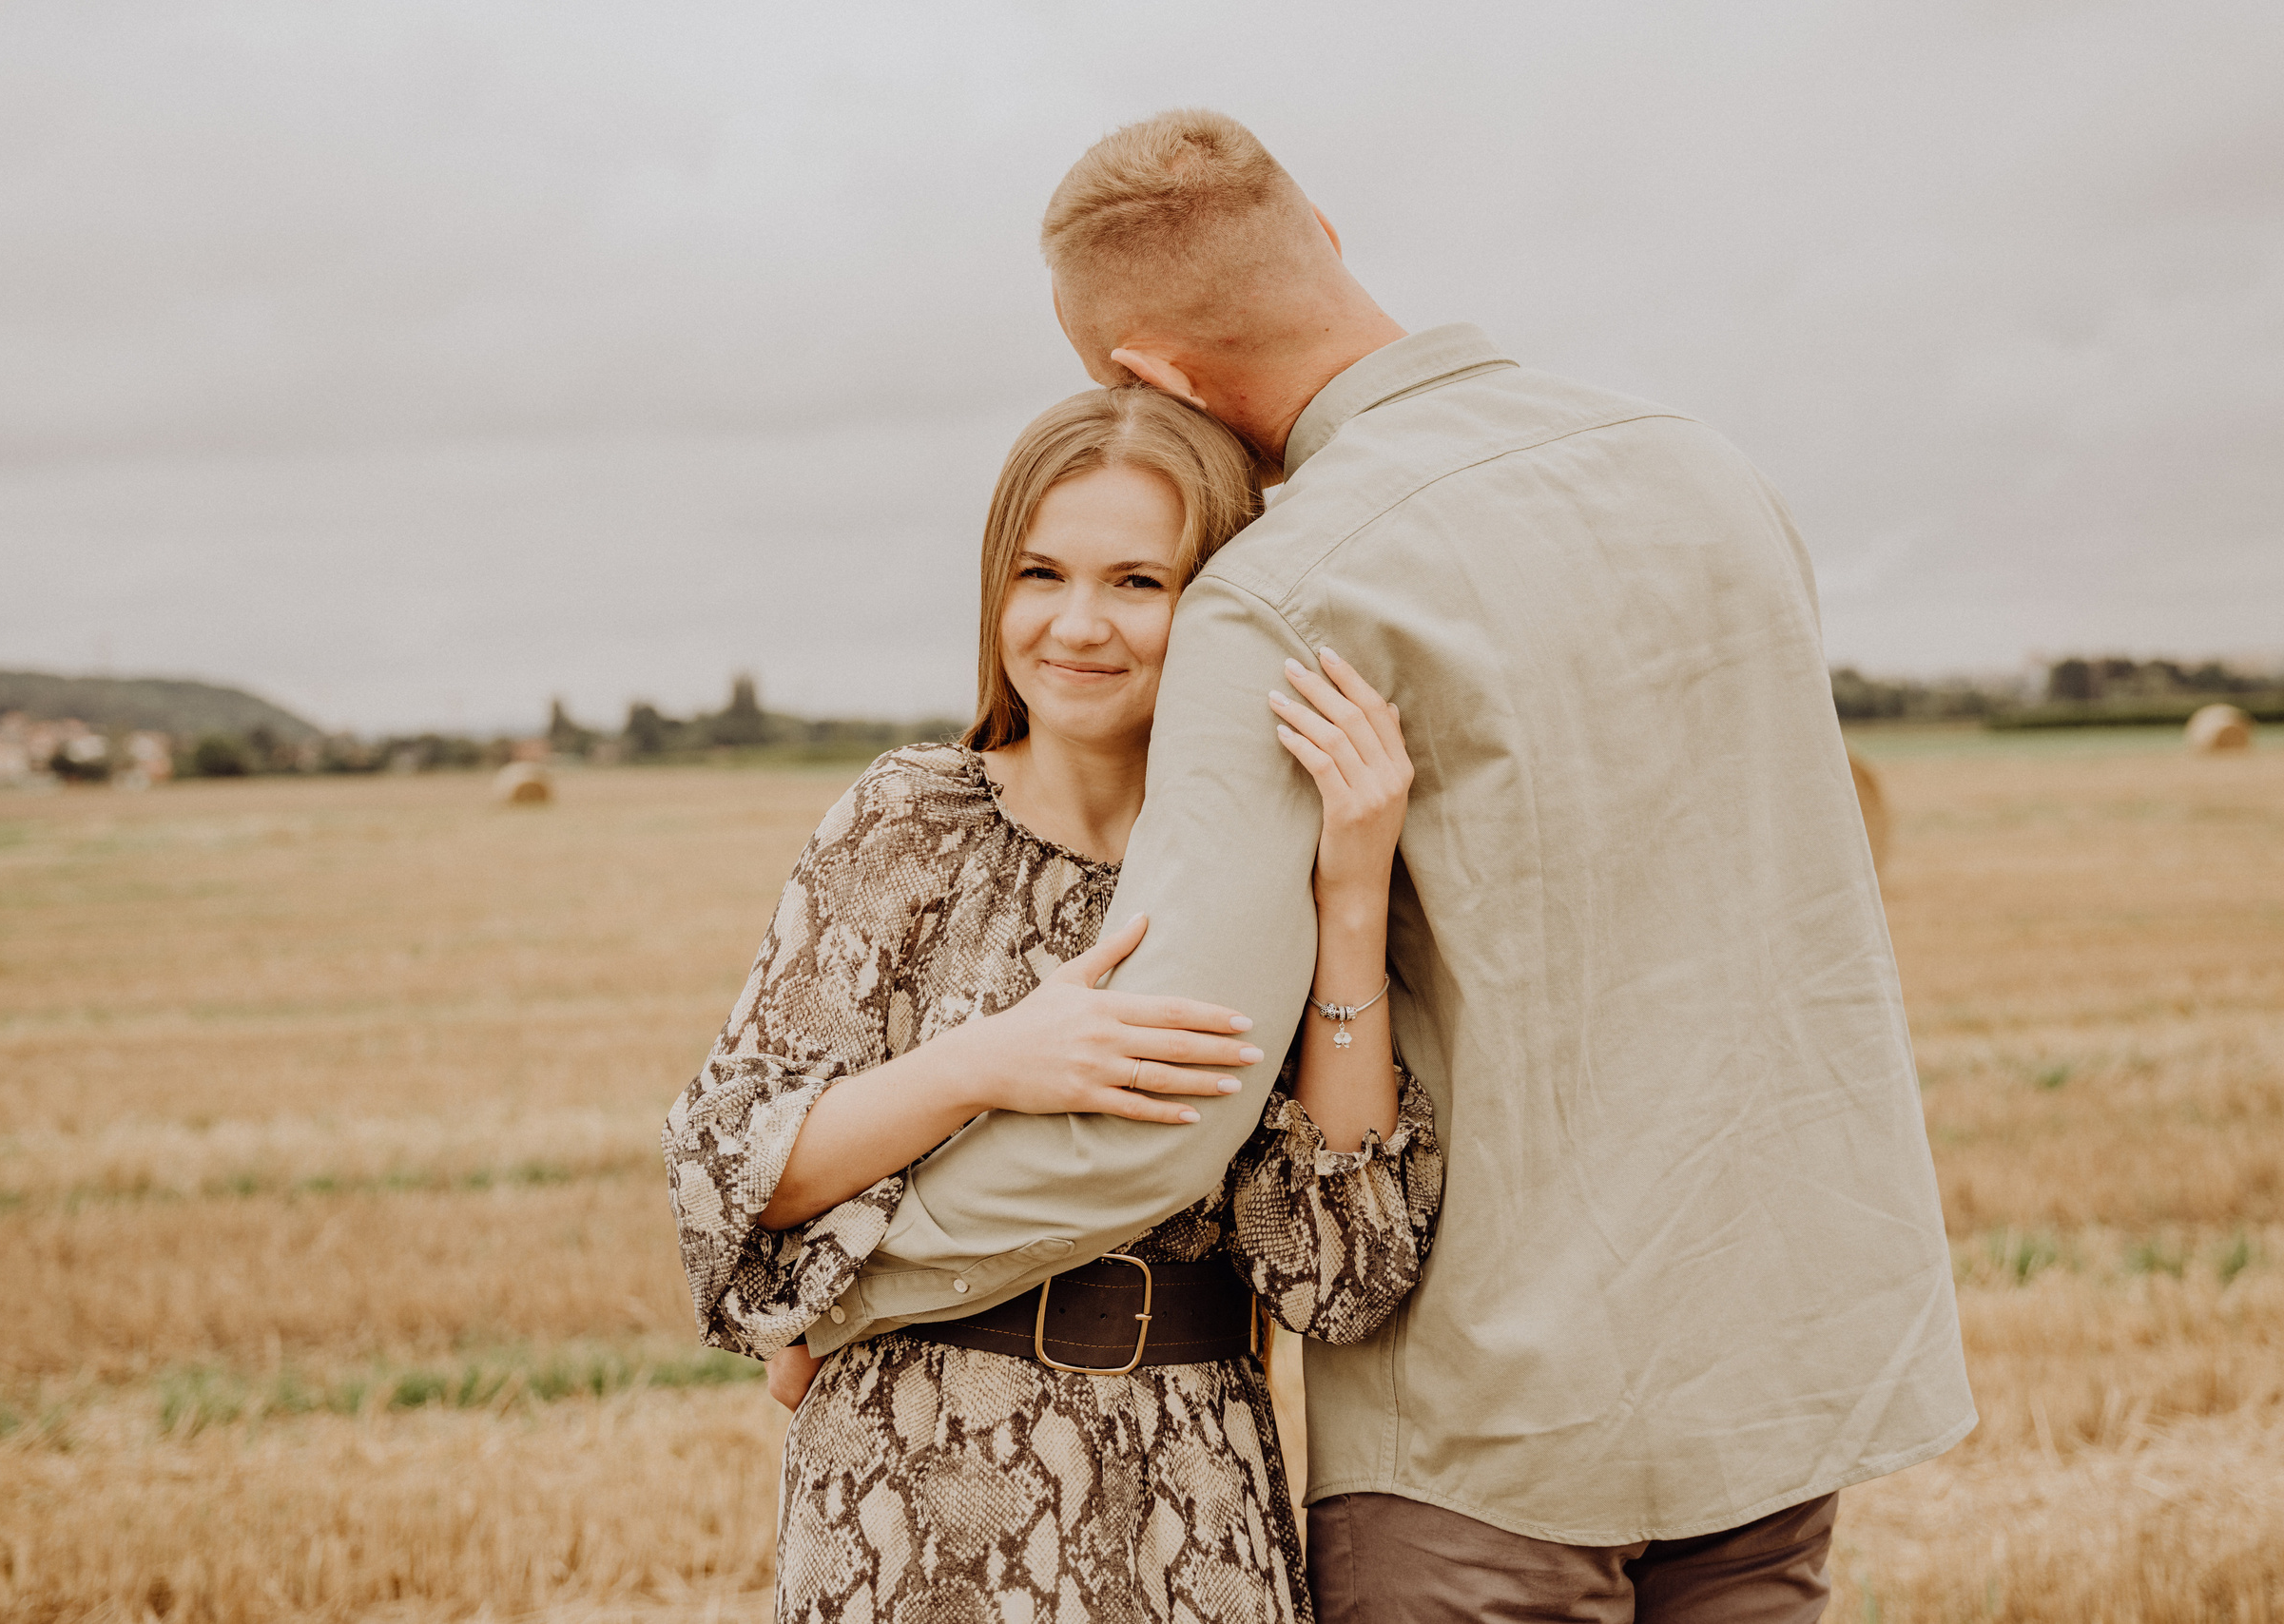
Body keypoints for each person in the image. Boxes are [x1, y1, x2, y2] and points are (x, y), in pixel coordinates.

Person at [803, 110, 1977, 1622]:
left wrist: (845, 1283)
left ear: (1154, 383)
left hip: (1493, 1441)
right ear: (1328, 241)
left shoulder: (1289, 588)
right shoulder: (1709, 474)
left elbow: (1166, 1101)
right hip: (1782, 1382)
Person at [666, 385, 1443, 1623]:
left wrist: (1348, 894)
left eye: (1139, 582)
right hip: (910, 1482)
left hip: (1190, 1491)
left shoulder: (1261, 873)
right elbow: (729, 1176)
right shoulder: (908, 821)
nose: (1079, 625)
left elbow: (1337, 1271)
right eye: (1041, 574)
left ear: (1220, 604)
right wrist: (989, 1062)